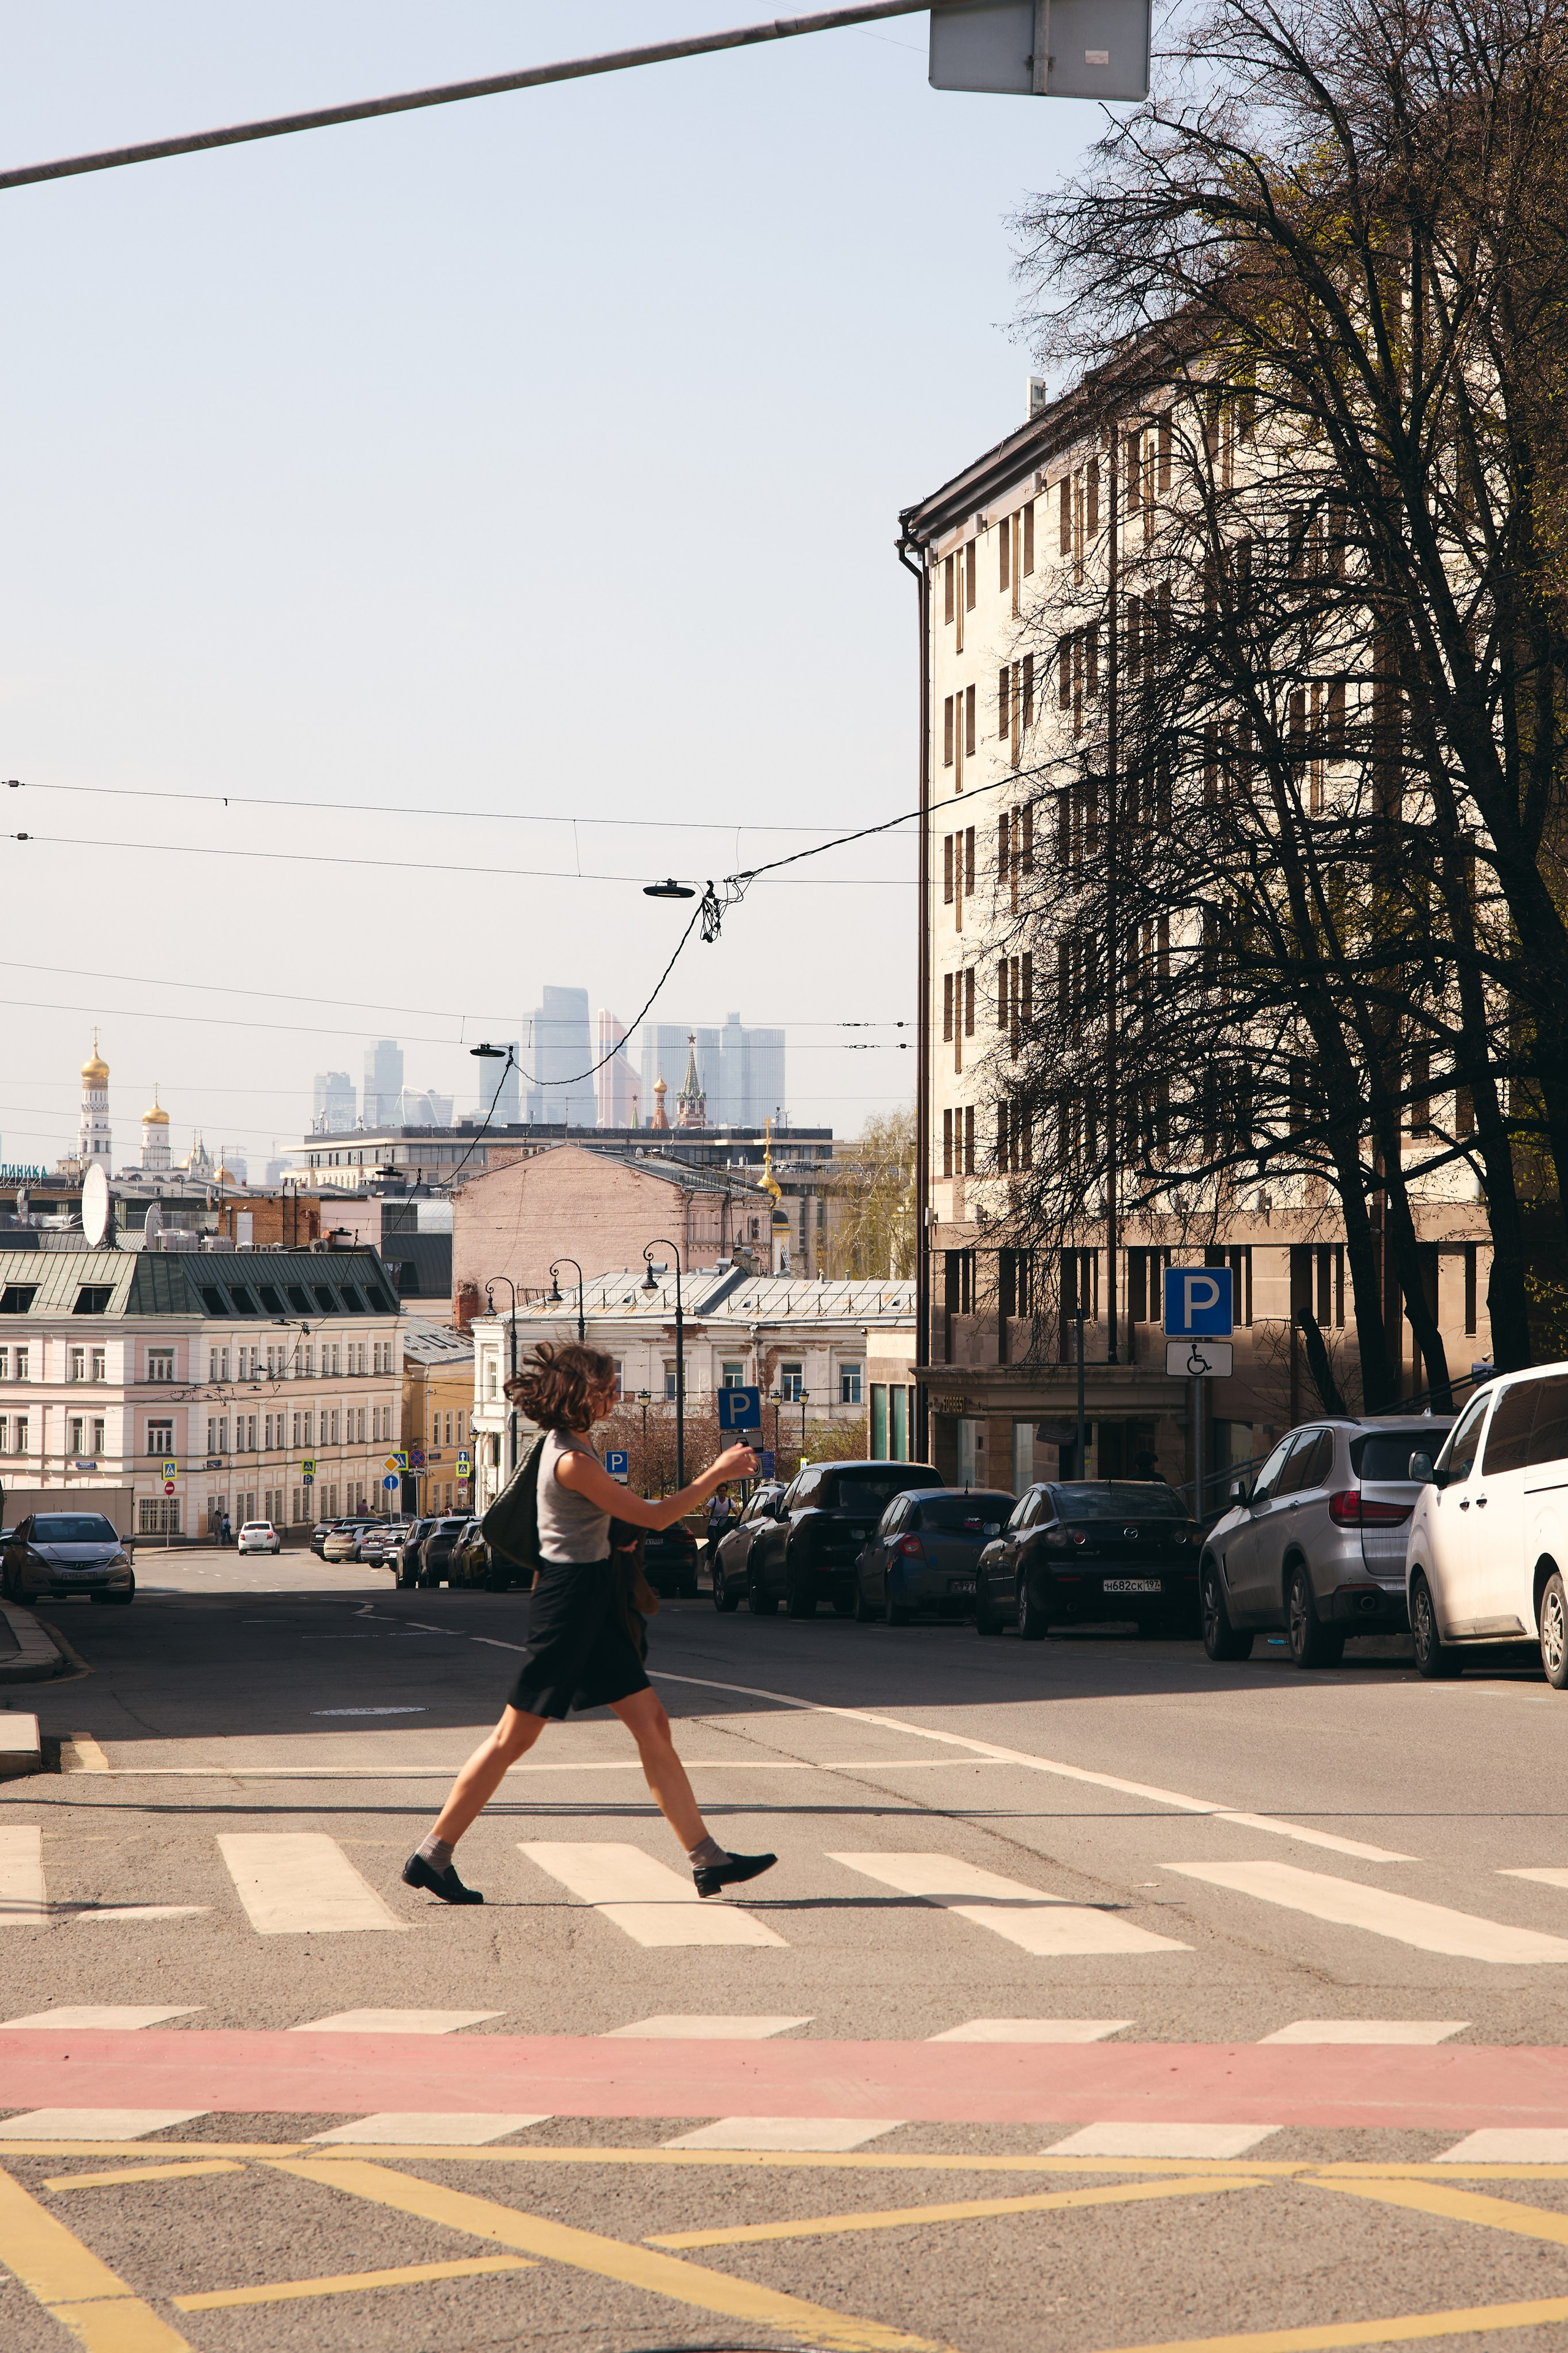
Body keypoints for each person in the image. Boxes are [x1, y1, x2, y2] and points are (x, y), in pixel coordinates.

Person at [404, 1342, 774, 1908]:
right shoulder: (571, 1459)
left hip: (591, 1598)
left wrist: (611, 1533)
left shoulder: (577, 1447)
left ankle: (707, 1859)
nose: (615, 1395)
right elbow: (652, 1514)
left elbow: (607, 1521)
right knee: (513, 1738)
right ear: (579, 1393)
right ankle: (432, 1853)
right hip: (570, 1603)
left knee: (651, 1721)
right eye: (606, 1386)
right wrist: (717, 1472)